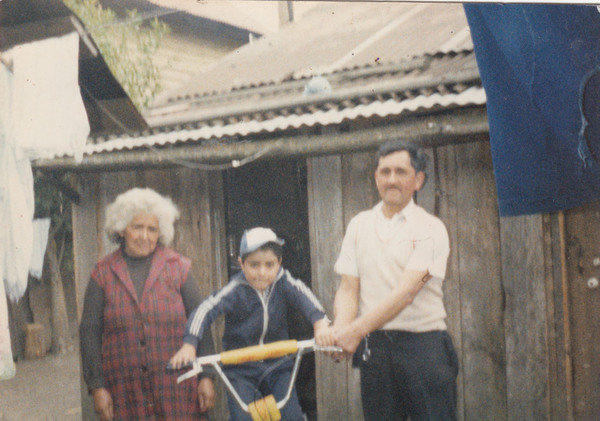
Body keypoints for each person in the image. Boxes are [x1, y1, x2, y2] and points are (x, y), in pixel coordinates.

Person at [332, 140, 458, 420]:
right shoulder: (358, 225)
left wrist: (354, 331)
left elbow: (406, 294)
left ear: (418, 180)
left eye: (401, 172)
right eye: (385, 171)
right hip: (375, 351)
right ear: (376, 177)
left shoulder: (431, 229)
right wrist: (341, 329)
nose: (392, 179)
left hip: (424, 349)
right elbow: (348, 289)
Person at [170, 227, 334, 421]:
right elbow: (205, 309)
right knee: (243, 416)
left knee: (292, 415)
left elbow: (304, 296)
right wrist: (190, 343)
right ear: (242, 264)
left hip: (277, 364)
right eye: (254, 265)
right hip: (240, 369)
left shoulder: (283, 281)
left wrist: (320, 323)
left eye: (269, 265)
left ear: (279, 263)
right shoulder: (235, 289)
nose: (262, 272)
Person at [79, 187, 216, 421]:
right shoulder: (102, 274)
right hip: (125, 393)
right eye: (137, 227)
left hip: (177, 390)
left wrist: (207, 376)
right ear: (122, 229)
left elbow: (199, 320)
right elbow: (89, 333)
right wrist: (97, 387)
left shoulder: (178, 268)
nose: (145, 236)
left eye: (152, 229)